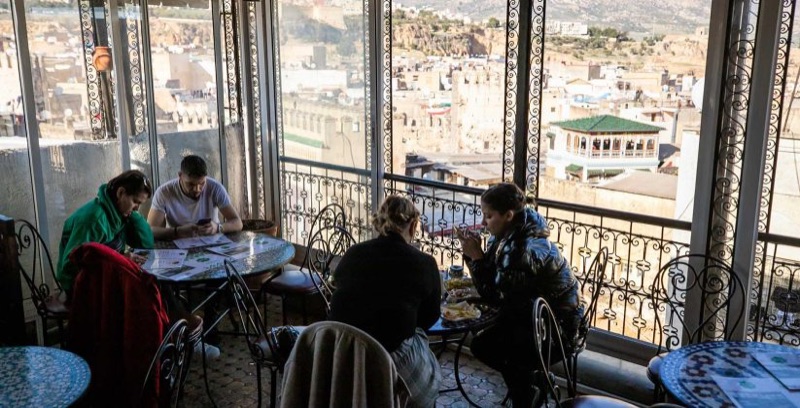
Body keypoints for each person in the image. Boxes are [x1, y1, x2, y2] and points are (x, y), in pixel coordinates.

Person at [456, 182, 583, 407]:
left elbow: (496, 296)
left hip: (555, 331)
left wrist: (475, 257)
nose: (483, 222)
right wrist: (477, 257)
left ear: (508, 215)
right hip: (540, 318)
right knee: (488, 335)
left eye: (488, 216)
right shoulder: (515, 231)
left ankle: (528, 393)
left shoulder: (521, 249)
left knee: (483, 345)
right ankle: (532, 383)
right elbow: (501, 284)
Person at [328, 195, 442, 408]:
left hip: (342, 354)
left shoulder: (354, 253)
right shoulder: (425, 263)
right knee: (424, 352)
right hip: (388, 361)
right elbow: (429, 318)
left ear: (380, 223)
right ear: (413, 225)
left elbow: (341, 288)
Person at [56, 170, 154, 296]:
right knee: (144, 290)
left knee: (150, 283)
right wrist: (120, 260)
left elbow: (146, 245)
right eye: (135, 201)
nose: (137, 208)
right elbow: (70, 267)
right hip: (80, 286)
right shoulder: (94, 220)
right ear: (120, 192)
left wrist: (133, 215)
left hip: (105, 277)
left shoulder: (119, 215)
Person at [146, 155, 242, 240]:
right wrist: (177, 231)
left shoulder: (215, 188)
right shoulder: (164, 192)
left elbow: (237, 223)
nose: (197, 189)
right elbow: (150, 231)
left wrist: (217, 227)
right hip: (180, 244)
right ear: (180, 175)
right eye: (191, 184)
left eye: (202, 183)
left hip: (211, 242)